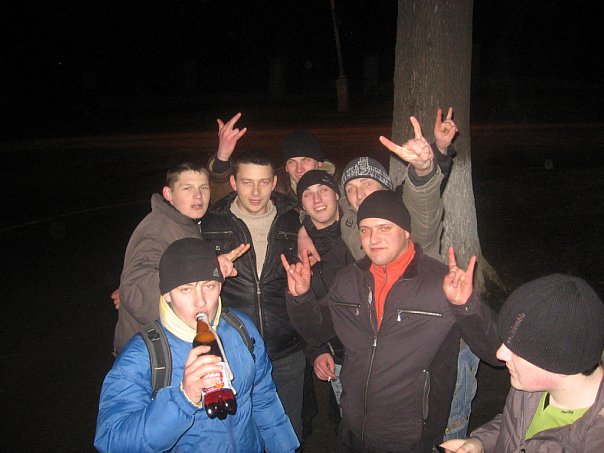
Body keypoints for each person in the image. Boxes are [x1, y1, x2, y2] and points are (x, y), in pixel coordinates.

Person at [282, 190, 501, 452]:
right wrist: (301, 297)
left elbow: (496, 351)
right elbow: (317, 331)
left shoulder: (440, 283)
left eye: (384, 228)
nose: (373, 239)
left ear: (406, 231)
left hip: (411, 438)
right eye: (365, 230)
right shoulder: (349, 279)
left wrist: (466, 306)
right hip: (353, 430)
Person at [95, 238, 299, 453]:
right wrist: (183, 399)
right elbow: (111, 440)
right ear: (167, 295)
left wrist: (284, 448)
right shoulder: (144, 355)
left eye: (209, 286)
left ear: (220, 286)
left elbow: (264, 398)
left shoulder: (241, 328)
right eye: (186, 290)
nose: (200, 301)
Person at [199, 148, 307, 440]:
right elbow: (182, 272)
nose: (256, 191)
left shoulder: (295, 221)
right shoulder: (210, 225)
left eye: (263, 182)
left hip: (286, 351)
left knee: (287, 435)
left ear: (275, 183)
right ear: (233, 182)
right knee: (240, 437)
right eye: (247, 182)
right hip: (234, 354)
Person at [440, 274, 604, 453]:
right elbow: (516, 427)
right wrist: (479, 443)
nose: (500, 354)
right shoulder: (532, 387)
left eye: (518, 351)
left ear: (562, 365)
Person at [113, 162, 247, 354]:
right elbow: (135, 292)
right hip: (151, 353)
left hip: (169, 345)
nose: (198, 196)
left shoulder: (184, 223)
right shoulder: (157, 231)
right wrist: (207, 269)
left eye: (203, 188)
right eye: (188, 188)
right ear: (168, 194)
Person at [296, 169, 354, 420]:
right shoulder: (297, 249)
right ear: (302, 205)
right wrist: (316, 350)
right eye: (308, 194)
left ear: (337, 194)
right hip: (337, 358)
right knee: (352, 427)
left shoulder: (361, 233)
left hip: (377, 353)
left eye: (323, 190)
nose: (317, 199)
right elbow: (299, 307)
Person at [208, 124, 338, 205]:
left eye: (306, 160)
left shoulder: (340, 185)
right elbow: (223, 200)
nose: (299, 169)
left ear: (320, 163)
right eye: (292, 162)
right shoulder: (274, 188)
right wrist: (222, 158)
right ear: (286, 167)